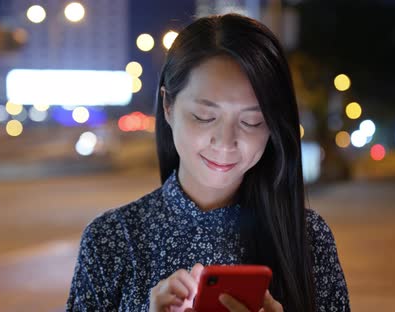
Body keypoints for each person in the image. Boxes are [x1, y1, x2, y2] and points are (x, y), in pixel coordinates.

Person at [67, 13, 350, 312]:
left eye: (252, 121)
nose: (225, 141)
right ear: (167, 106)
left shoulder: (307, 239)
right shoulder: (112, 239)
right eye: (205, 116)